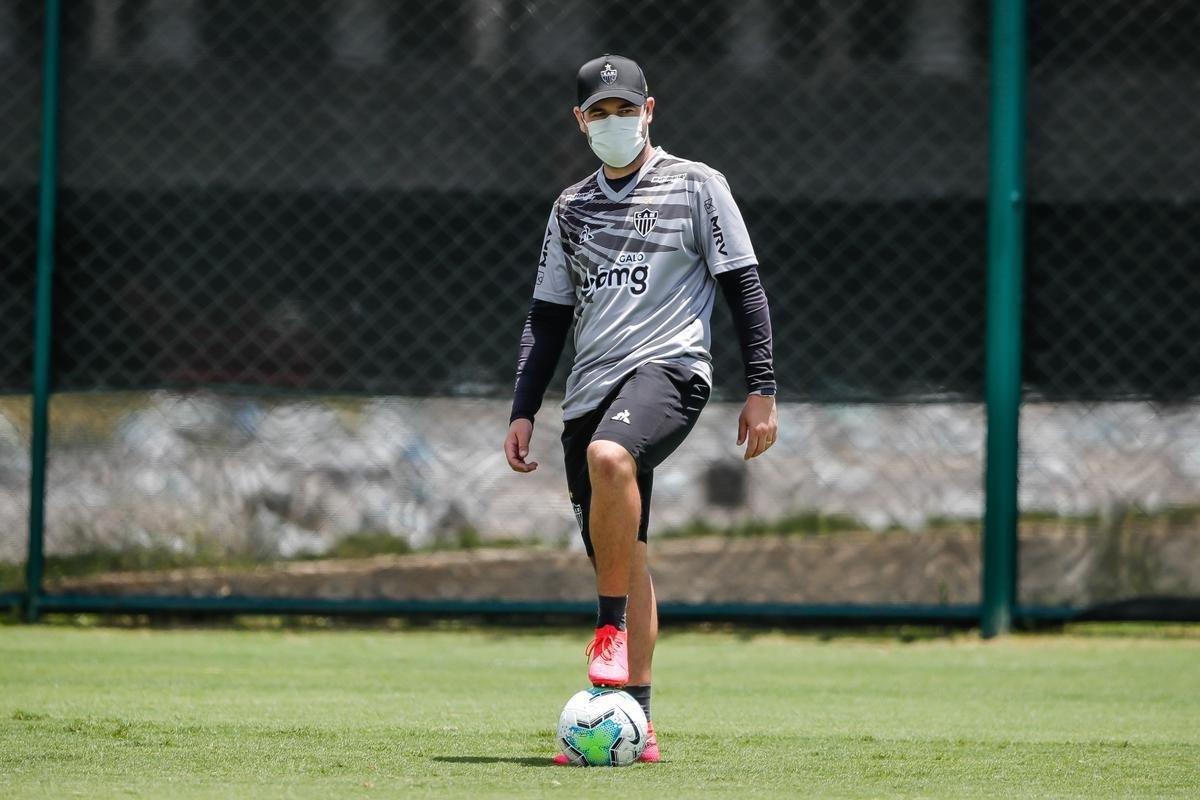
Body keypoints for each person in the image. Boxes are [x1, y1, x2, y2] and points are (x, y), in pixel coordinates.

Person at [503, 54, 778, 764]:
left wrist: (762, 387)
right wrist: (523, 408)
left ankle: (607, 629)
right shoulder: (571, 207)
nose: (615, 122)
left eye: (627, 109)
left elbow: (743, 286)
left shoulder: (697, 187)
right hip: (589, 393)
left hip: (669, 373)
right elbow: (547, 315)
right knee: (627, 558)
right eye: (601, 112)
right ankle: (639, 721)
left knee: (610, 457)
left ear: (650, 110)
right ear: (581, 121)